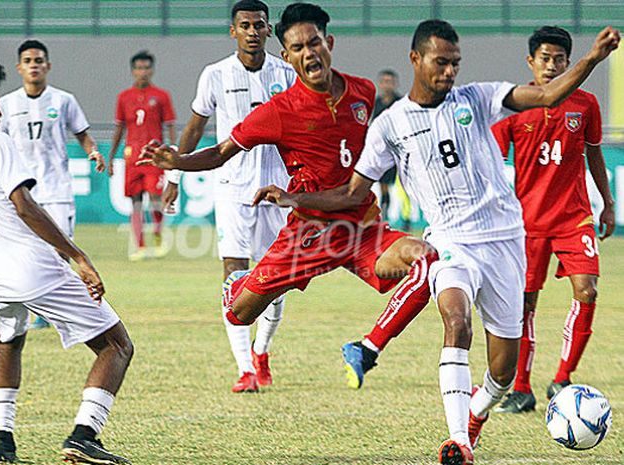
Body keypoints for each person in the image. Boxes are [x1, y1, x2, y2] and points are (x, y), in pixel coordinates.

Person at [252, 19, 619, 465]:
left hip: (504, 242)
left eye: (455, 64)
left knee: (501, 375)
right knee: (456, 322)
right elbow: (351, 193)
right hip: (449, 242)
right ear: (416, 60)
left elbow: (545, 95)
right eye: (441, 63)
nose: (449, 72)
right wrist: (295, 197)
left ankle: (477, 415)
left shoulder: (479, 98)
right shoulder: (391, 125)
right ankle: (458, 441)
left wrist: (593, 59)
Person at [140, 2, 440, 394]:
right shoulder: (277, 109)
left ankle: (366, 349)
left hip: (361, 229)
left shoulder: (363, 92)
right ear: (288, 56)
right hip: (306, 233)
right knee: (239, 312)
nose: (308, 52)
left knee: (429, 261)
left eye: (314, 42)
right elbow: (221, 152)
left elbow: (388, 146)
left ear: (328, 42)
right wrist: (178, 163)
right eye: (297, 48)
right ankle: (247, 307)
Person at [0, 55, 133, 465]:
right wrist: (77, 256)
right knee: (117, 345)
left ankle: (2, 445)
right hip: (31, 269)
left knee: (11, 339)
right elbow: (24, 206)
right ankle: (84, 434)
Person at [163, 0, 295, 393]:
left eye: (259, 25)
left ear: (269, 31)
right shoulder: (215, 74)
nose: (253, 31)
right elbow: (194, 128)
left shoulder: (287, 74)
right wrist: (174, 173)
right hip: (232, 191)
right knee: (234, 277)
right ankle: (245, 370)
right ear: (233, 31)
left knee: (277, 282)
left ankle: (262, 350)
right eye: (245, 25)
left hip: (278, 193)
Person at [491, 26, 615, 414]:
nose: (551, 65)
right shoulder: (514, 106)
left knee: (588, 291)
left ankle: (562, 377)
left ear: (567, 61)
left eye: (559, 58)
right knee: (525, 303)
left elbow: (593, 154)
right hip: (525, 224)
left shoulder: (586, 104)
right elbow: (493, 164)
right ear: (531, 62)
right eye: (544, 58)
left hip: (573, 218)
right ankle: (522, 388)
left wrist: (607, 203)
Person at [0, 39, 106, 330]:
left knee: (59, 250)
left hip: (57, 189)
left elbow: (82, 133)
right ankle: (36, 307)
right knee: (28, 251)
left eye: (39, 61)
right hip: (22, 193)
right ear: (19, 67)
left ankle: (54, 310)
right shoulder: (7, 104)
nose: (34, 65)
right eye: (29, 61)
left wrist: (92, 151)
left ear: (48, 66)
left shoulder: (63, 100)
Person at [108, 50, 177, 261]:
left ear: (152, 70)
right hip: (132, 158)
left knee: (156, 198)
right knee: (135, 201)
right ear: (132, 71)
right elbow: (120, 128)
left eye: (146, 68)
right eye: (139, 68)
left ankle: (157, 231)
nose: (142, 72)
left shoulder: (161, 96)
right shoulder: (124, 97)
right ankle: (139, 245)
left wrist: (172, 150)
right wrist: (111, 157)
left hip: (154, 156)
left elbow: (170, 125)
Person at [372, 69, 409, 227]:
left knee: (405, 185)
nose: (387, 85)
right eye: (384, 81)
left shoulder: (402, 104)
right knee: (384, 186)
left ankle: (407, 217)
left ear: (396, 83)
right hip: (383, 152)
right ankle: (385, 214)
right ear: (380, 84)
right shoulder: (376, 104)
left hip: (401, 152)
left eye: (390, 82)